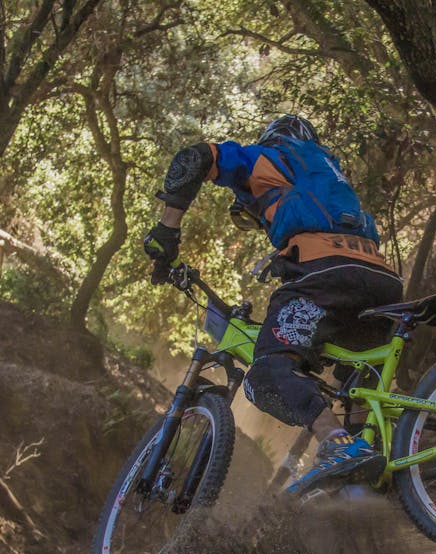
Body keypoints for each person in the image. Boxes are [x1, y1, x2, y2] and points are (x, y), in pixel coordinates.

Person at [142, 115, 402, 495]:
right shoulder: (332, 176)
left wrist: (167, 231)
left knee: (267, 372)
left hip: (324, 275)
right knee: (357, 383)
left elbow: (195, 157)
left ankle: (335, 442)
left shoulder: (271, 156)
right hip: (381, 281)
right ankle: (368, 474)